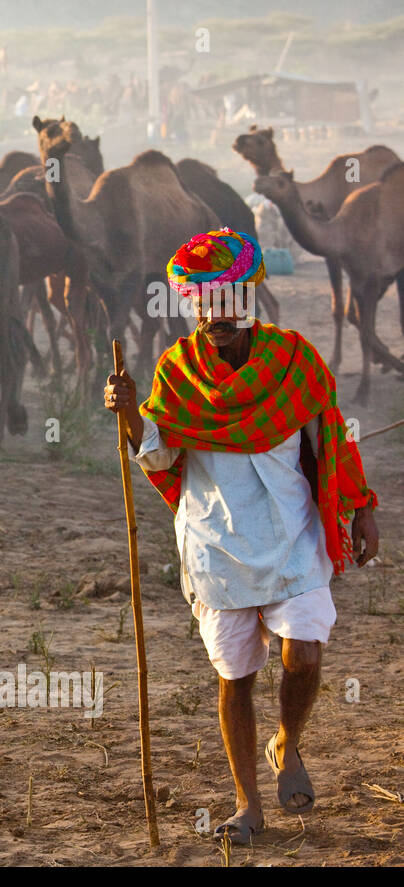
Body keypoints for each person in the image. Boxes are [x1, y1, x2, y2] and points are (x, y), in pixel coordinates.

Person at [103, 227, 379, 843]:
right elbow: (156, 454)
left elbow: (331, 440)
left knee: (302, 654)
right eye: (202, 305)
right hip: (215, 542)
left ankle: (288, 741)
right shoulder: (178, 371)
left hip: (292, 535)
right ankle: (247, 802)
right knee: (236, 678)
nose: (214, 318)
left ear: (249, 301)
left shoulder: (294, 361)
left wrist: (361, 507)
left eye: (225, 304)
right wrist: (128, 412)